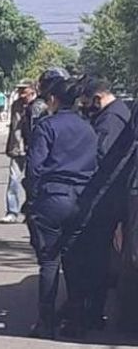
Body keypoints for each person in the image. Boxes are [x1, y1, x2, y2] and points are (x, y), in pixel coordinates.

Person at [24, 76, 98, 339]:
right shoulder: (88, 128)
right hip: (81, 200)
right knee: (74, 260)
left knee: (49, 262)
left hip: (53, 198)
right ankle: (75, 321)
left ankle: (46, 322)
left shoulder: (47, 126)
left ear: (53, 99)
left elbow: (34, 167)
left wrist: (33, 198)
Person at [61, 78, 131, 335]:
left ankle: (90, 313)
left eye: (87, 103)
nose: (86, 108)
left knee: (93, 258)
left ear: (98, 98)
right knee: (96, 257)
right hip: (106, 197)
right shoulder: (116, 113)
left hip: (104, 199)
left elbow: (100, 157)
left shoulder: (111, 120)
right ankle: (88, 311)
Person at [1, 80, 33, 223]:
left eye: (24, 90)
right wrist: (9, 147)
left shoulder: (38, 105)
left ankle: (30, 212)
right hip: (17, 149)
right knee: (13, 180)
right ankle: (12, 211)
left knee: (32, 182)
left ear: (32, 90)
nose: (21, 93)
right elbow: (13, 128)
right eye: (19, 90)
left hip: (34, 149)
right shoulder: (16, 105)